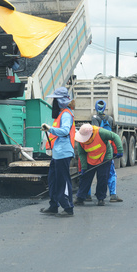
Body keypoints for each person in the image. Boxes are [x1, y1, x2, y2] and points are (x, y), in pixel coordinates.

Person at [40, 87, 76, 217]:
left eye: (55, 100)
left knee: (62, 181)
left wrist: (50, 129)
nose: (53, 103)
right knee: (53, 180)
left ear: (60, 101)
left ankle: (68, 207)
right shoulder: (62, 114)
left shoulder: (66, 114)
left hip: (63, 153)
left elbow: (65, 131)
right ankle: (53, 205)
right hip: (58, 153)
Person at [74, 123, 123, 206]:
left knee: (102, 177)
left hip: (104, 157)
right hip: (90, 159)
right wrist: (84, 167)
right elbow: (82, 154)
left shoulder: (101, 132)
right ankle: (80, 197)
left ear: (91, 134)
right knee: (85, 178)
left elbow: (115, 136)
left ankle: (101, 198)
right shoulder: (81, 140)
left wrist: (120, 150)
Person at [91, 100, 123, 202]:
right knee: (110, 173)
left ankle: (86, 195)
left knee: (89, 173)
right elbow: (114, 136)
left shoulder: (94, 119)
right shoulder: (110, 119)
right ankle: (113, 195)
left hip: (96, 150)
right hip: (108, 150)